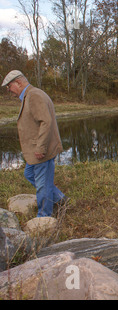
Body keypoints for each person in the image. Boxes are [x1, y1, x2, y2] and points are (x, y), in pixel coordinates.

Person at [2, 70, 67, 218]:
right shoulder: (29, 95)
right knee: (29, 174)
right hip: (35, 150)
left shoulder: (34, 95)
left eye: (9, 86)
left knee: (43, 184)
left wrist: (40, 147)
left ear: (18, 82)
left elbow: (46, 122)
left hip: (41, 150)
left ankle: (43, 217)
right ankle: (60, 199)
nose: (8, 90)